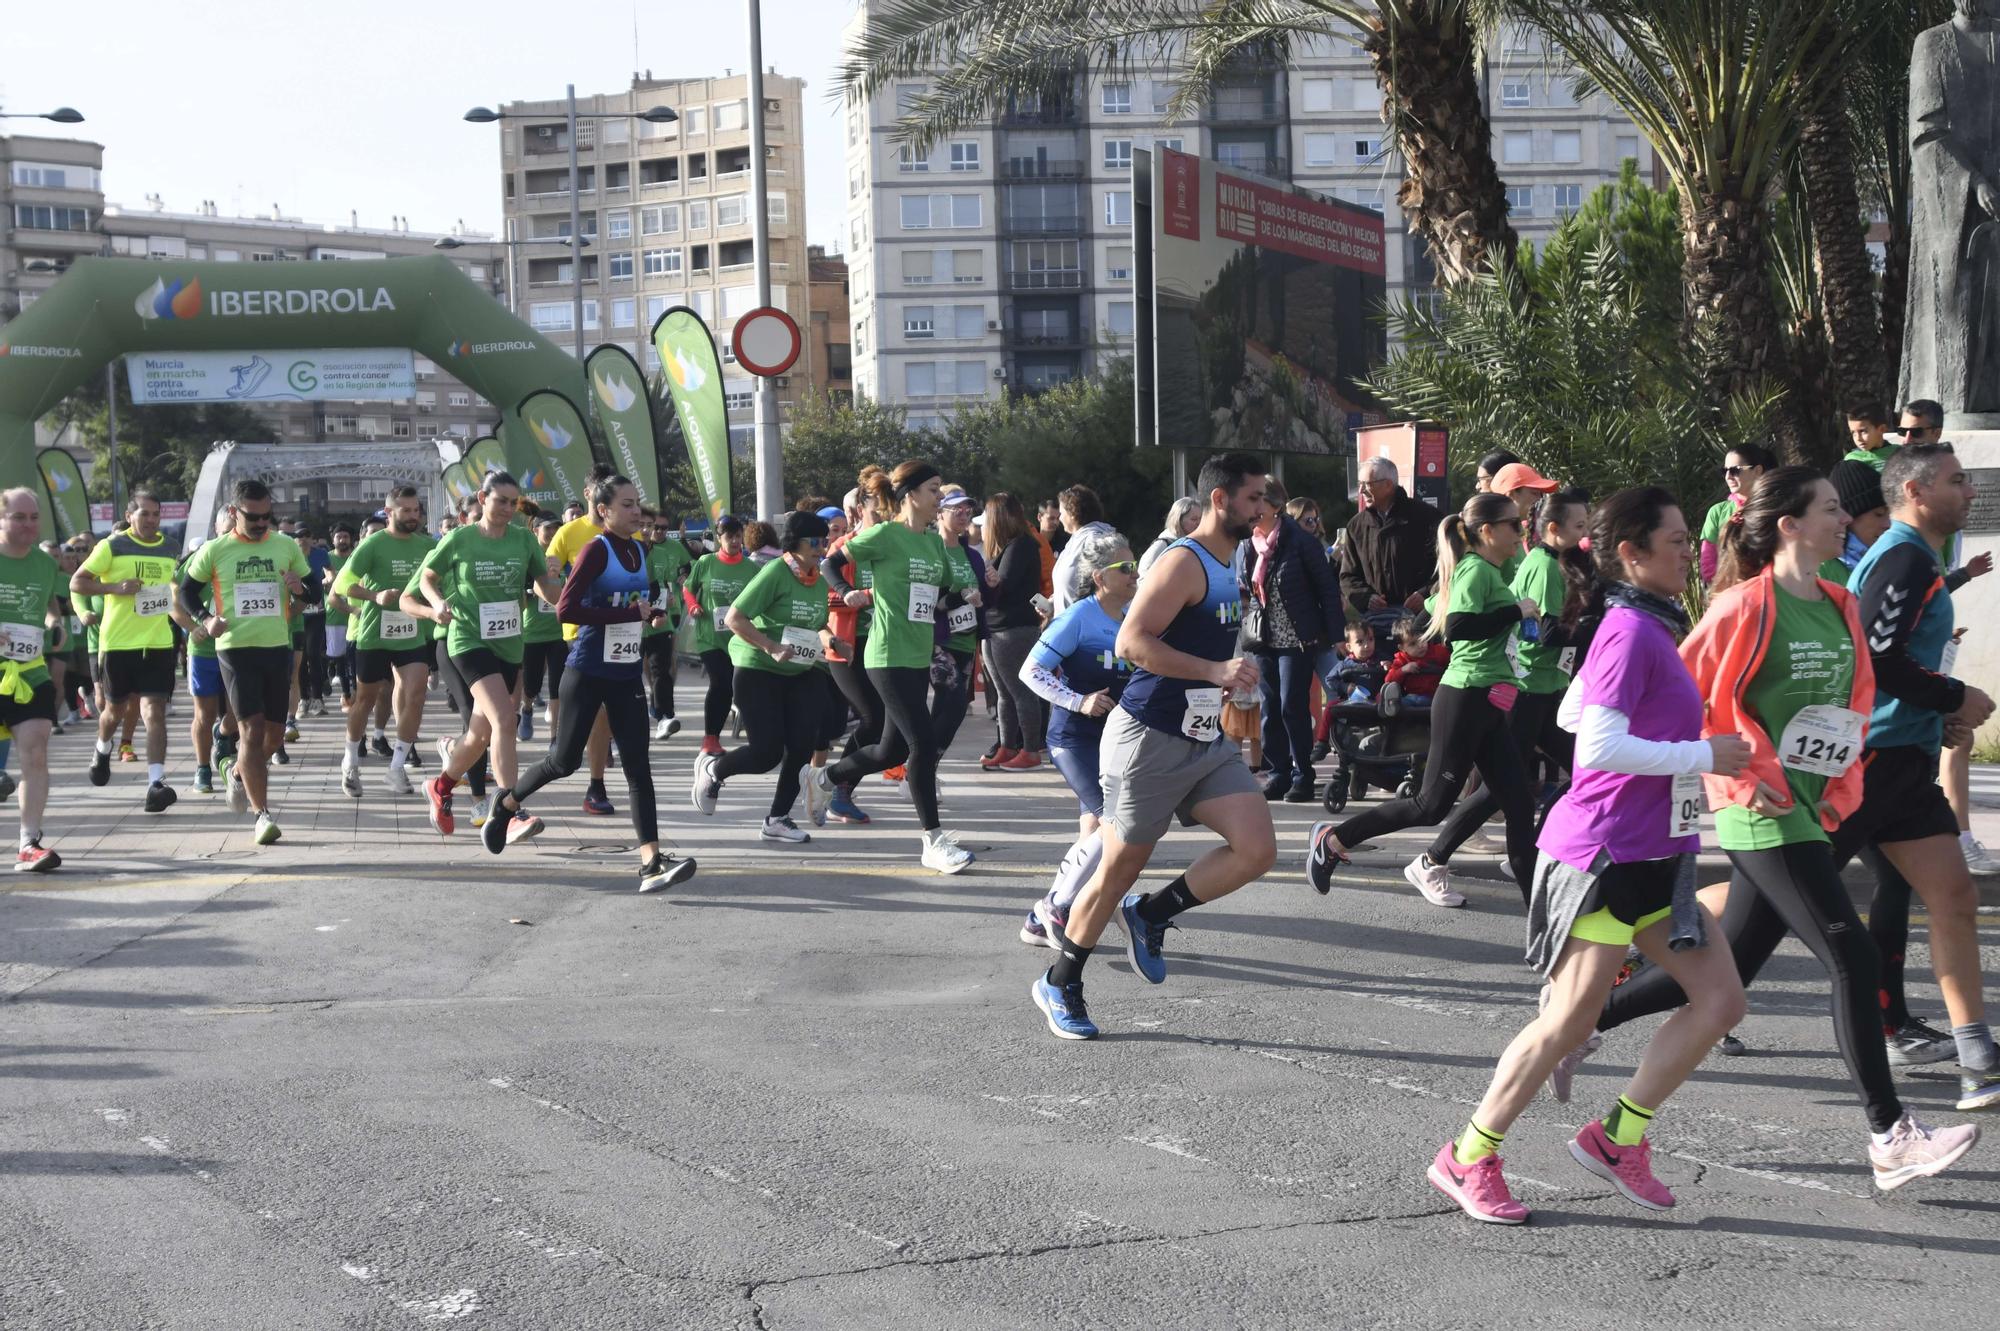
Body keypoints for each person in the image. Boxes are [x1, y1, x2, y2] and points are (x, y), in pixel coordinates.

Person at [1569, 466, 1984, 1188]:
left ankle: (1588, 1039)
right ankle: (1889, 1133)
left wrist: (1838, 793)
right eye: (1827, 509)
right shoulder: (1740, 607)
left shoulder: (1839, 604)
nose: (1842, 520)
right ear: (1788, 525)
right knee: (1850, 951)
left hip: (1810, 808)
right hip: (1757, 809)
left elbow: (1851, 711)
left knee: (1730, 970)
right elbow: (1679, 698)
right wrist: (1733, 773)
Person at [1428, 486, 1752, 1224]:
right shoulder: (1633, 630)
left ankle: (1617, 1139)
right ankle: (1468, 1154)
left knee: (1721, 998)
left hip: (1654, 853)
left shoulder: (1649, 625)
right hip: (1605, 853)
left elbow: (1575, 711)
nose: (1685, 550)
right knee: (1568, 1022)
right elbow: (1596, 744)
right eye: (1673, 539)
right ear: (1631, 554)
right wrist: (1704, 752)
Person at [1029, 452, 1276, 1041]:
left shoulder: (1232, 556)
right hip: (1147, 739)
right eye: (1252, 497)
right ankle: (1060, 979)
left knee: (1256, 848)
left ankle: (1152, 913)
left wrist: (1229, 677)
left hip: (1202, 737)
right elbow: (1132, 642)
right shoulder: (1182, 562)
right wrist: (1216, 670)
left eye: (1263, 497)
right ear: (1221, 500)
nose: (1261, 507)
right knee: (1115, 868)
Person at [1829, 444, 2000, 1109]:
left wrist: (1939, 716)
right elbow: (1873, 657)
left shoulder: (1919, 557)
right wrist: (1952, 697)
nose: (1970, 492)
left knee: (1954, 895)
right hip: (1868, 763)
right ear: (1917, 492)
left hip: (1905, 764)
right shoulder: (1902, 554)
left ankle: (1976, 1053)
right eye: (1958, 481)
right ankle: (1644, 961)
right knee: (1760, 912)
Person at [1309, 491, 1545, 898]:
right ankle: (1333, 841)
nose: (1520, 531)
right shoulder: (1476, 571)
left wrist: (1408, 643)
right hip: (1465, 699)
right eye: (1514, 524)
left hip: (1486, 700)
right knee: (1429, 805)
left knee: (1520, 806)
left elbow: (1423, 617)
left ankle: (1541, 923)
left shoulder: (1480, 571)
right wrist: (1516, 612)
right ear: (1487, 531)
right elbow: (1457, 627)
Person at [485, 475, 695, 892]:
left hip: (625, 672)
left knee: (638, 766)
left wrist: (649, 613)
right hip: (586, 671)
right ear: (604, 510)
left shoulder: (638, 548)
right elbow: (567, 609)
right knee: (563, 762)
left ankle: (650, 861)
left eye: (639, 504)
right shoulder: (595, 552)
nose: (638, 511)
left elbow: (627, 605)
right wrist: (627, 616)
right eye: (629, 505)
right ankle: (506, 802)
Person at [1416, 487, 1592, 903]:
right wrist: (1599, 627)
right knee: (1504, 788)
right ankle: (1434, 859)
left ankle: (1528, 851)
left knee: (1578, 773)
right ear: (1554, 529)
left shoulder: (1553, 562)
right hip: (1525, 688)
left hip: (1547, 688)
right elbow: (1549, 634)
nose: (1587, 534)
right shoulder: (1544, 566)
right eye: (1581, 526)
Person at [812, 460, 981, 874]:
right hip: (886, 655)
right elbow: (830, 563)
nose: (939, 497)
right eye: (933, 489)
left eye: (940, 489)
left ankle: (821, 778)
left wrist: (964, 598)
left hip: (918, 653)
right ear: (910, 496)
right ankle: (933, 842)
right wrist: (847, 592)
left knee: (892, 749)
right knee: (921, 745)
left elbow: (935, 600)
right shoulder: (885, 535)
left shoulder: (933, 543)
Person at [412, 471, 561, 846]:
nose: (508, 509)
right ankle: (508, 810)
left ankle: (440, 785)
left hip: (509, 643)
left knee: (480, 735)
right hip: (467, 639)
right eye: (501, 501)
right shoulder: (460, 538)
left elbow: (548, 590)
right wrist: (436, 603)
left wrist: (566, 589)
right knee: (504, 720)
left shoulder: (524, 539)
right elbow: (428, 578)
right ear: (482, 497)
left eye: (514, 503)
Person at [1017, 528, 1137, 948]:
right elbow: (1030, 671)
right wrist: (1078, 701)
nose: (1135, 574)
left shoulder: (1130, 617)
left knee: (1094, 832)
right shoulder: (1078, 617)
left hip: (1113, 742)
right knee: (1114, 826)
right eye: (1126, 568)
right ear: (1101, 576)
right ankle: (1057, 904)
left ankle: (1037, 919)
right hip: (1073, 739)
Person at [693, 510, 841, 842]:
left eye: (825, 540)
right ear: (794, 543)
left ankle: (778, 819)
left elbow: (815, 621)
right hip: (758, 668)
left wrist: (830, 639)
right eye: (815, 541)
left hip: (801, 670)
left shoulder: (817, 577)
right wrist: (771, 646)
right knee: (766, 753)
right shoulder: (775, 572)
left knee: (802, 744)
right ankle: (713, 770)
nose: (822, 547)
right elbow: (735, 617)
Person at [181, 480, 312, 846]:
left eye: (267, 517)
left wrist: (299, 589)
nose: (261, 524)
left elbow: (313, 588)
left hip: (276, 648)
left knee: (271, 737)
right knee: (252, 730)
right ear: (235, 513)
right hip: (235, 649)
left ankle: (235, 772)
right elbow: (186, 591)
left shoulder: (284, 545)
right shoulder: (215, 549)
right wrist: (206, 619)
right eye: (253, 518)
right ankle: (262, 815)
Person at [71, 491, 180, 813]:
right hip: (118, 644)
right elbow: (77, 582)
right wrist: (113, 588)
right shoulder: (111, 546)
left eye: (156, 514)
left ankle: (155, 784)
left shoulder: (170, 548)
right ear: (130, 515)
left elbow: (173, 591)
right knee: (114, 712)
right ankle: (102, 749)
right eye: (145, 514)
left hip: (158, 642)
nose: (151, 520)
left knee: (154, 712)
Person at [1237, 478, 1340, 803]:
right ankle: (1278, 772)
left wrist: (1335, 636)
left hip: (1298, 638)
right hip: (1264, 637)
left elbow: (1327, 590)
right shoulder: (1249, 543)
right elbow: (1245, 585)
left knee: (1291, 706)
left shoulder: (1301, 542)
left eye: (1259, 502)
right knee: (1269, 706)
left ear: (1276, 506)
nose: (1253, 509)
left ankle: (1303, 776)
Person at [332, 486, 435, 798]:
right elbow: (343, 585)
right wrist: (375, 595)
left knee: (416, 694)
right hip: (374, 632)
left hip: (410, 631)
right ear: (389, 512)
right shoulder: (373, 544)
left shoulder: (427, 545)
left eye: (416, 510)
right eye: (406, 511)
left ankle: (397, 766)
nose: (413, 516)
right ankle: (350, 760)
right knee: (366, 699)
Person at [0, 489, 65, 870]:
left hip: (29, 671)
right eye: (18, 517)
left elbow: (48, 603)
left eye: (33, 517)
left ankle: (29, 842)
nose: (27, 524)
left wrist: (53, 621)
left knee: (36, 748)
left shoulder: (43, 564)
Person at [819, 484, 883, 825]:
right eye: (877, 507)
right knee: (872, 719)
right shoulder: (843, 547)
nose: (884, 514)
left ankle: (838, 785)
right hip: (847, 648)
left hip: (883, 647)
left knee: (882, 723)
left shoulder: (890, 544)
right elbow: (825, 596)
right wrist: (855, 594)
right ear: (859, 509)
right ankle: (835, 787)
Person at [979, 492, 1048, 771]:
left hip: (1014, 629)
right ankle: (1007, 746)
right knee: (1004, 693)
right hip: (998, 628)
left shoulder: (1021, 546)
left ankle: (1030, 750)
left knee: (1020, 692)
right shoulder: (1009, 546)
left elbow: (1003, 585)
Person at [176, 507, 241, 796]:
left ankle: (223, 734)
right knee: (204, 713)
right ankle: (203, 768)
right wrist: (194, 626)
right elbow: (176, 599)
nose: (231, 535)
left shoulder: (250, 557)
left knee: (238, 711)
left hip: (239, 645)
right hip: (204, 650)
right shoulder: (198, 559)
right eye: (226, 530)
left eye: (235, 530)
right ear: (216, 529)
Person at [1337, 457, 1437, 626]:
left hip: (1420, 621)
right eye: (1359, 483)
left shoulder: (1427, 518)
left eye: (1367, 484)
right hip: (1377, 623)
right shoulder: (1357, 525)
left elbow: (1447, 567)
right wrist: (1366, 597)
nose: (1361, 490)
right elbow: (1348, 576)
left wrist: (1426, 594)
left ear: (1388, 485)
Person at [687, 516, 753, 757]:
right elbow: (688, 588)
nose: (735, 541)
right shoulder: (706, 562)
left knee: (736, 687)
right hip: (710, 635)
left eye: (738, 536)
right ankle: (710, 738)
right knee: (720, 683)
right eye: (729, 537)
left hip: (738, 637)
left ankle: (755, 735)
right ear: (719, 538)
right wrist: (693, 605)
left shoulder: (751, 567)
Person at [1698, 443, 1776, 584]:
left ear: (1757, 470)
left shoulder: (1775, 509)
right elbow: (1708, 565)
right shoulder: (1717, 512)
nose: (1728, 476)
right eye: (1724, 471)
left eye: (1735, 470)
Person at [644, 514, 691, 741]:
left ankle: (665, 716)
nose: (655, 531)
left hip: (662, 615)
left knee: (662, 667)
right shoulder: (623, 548)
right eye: (652, 527)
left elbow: (684, 568)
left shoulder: (665, 550)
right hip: (627, 618)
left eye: (663, 528)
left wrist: (670, 594)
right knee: (633, 672)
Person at [518, 515, 565, 744]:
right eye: (548, 528)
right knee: (531, 684)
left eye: (557, 528)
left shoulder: (563, 557)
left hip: (559, 632)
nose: (553, 532)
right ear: (536, 530)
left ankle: (554, 737)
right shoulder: (527, 558)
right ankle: (526, 710)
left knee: (557, 687)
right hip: (532, 632)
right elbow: (523, 594)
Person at [1050, 485, 1114, 615]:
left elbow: (1108, 584)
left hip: (1087, 627)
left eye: (1061, 513)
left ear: (1072, 513)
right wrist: (1054, 602)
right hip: (1072, 623)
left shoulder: (1095, 539)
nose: (1059, 518)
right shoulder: (1076, 541)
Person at [1383, 618, 1446, 705]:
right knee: (1404, 702)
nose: (1420, 645)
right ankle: (1391, 705)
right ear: (1402, 648)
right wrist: (1403, 670)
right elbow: (1389, 680)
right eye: (1413, 644)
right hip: (1412, 697)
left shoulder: (1437, 651)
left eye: (1422, 639)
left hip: (1436, 697)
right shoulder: (1402, 659)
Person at [1140, 497, 1202, 576]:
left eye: (1200, 519)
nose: (1199, 523)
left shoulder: (1196, 545)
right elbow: (1143, 574)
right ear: (1179, 520)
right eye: (1194, 519)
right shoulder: (1163, 544)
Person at [1844, 402, 1900, 471]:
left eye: (1863, 431)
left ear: (1882, 429)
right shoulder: (1852, 460)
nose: (1858, 438)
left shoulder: (1898, 453)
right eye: (1853, 433)